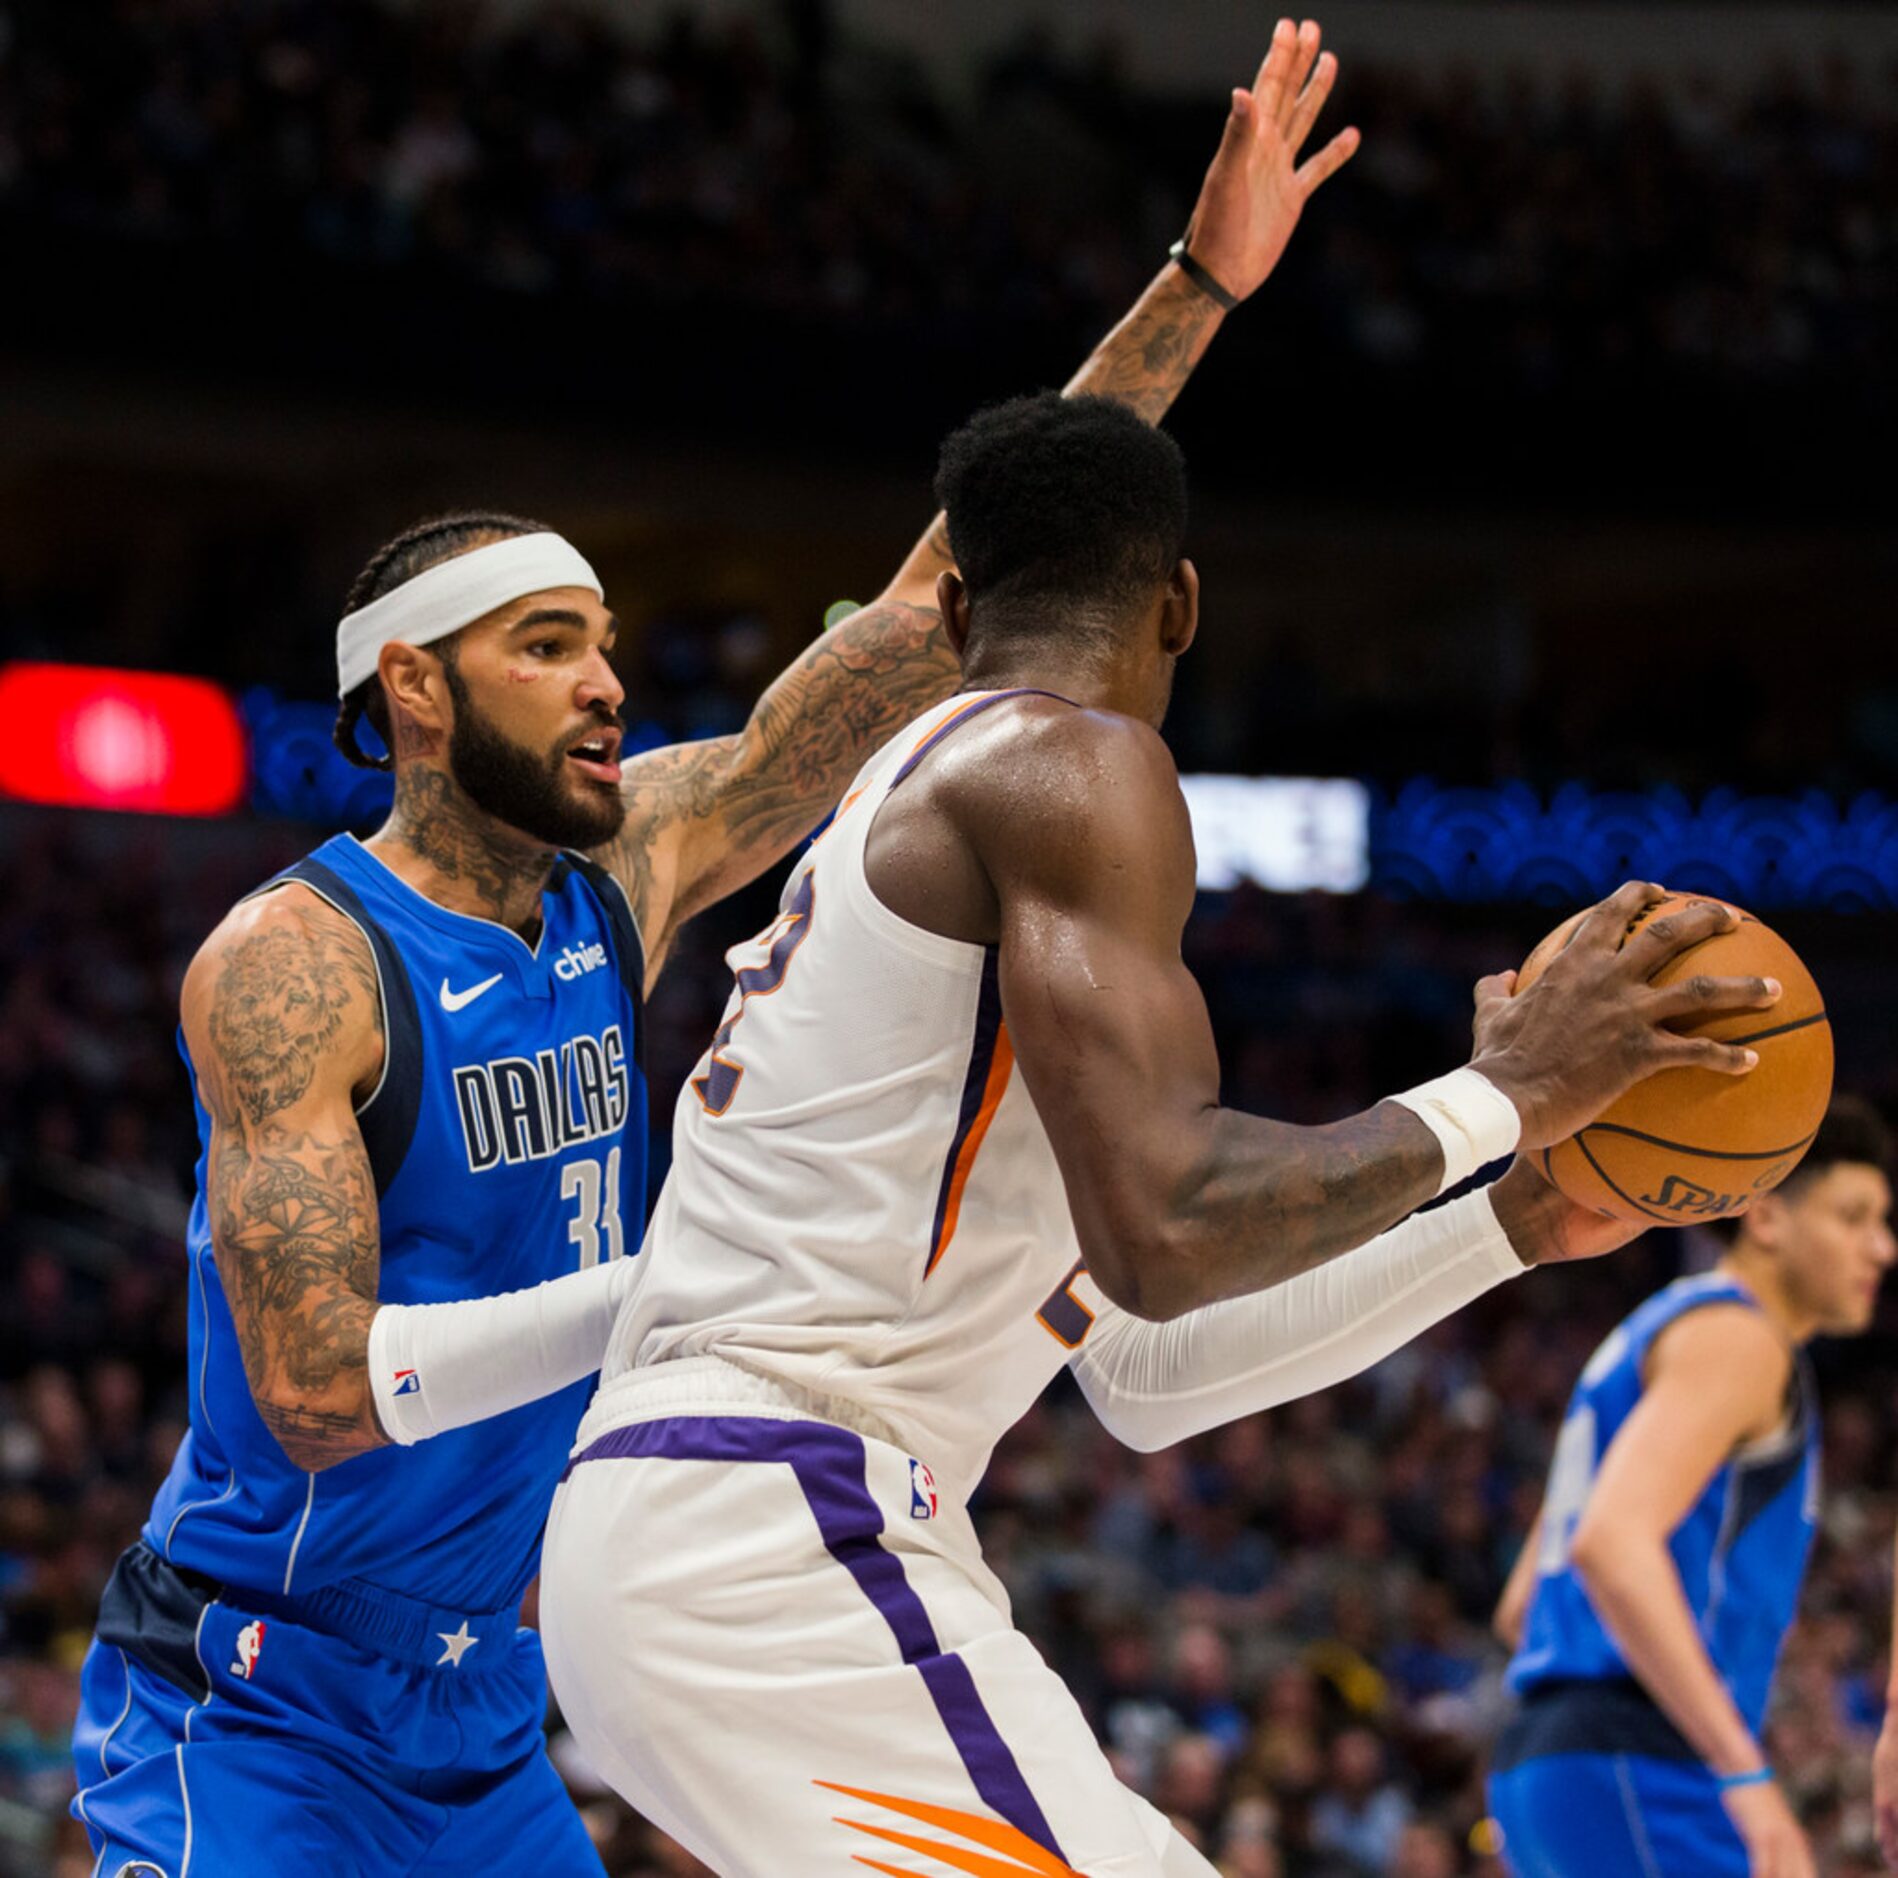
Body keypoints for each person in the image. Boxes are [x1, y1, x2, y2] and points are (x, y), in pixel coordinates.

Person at [66, 25, 1368, 1874]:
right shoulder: (294, 958)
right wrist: (670, 1289)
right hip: (262, 1690)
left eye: (604, 634)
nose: (606, 678)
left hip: (493, 1701)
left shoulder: (643, 854)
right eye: (544, 643)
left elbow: (948, 598)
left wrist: (1196, 289)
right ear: (417, 689)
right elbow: (316, 1389)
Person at [535, 381, 1778, 1873]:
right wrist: (1503, 1092)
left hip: (704, 1528)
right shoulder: (1068, 760)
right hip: (773, 1519)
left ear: (947, 610)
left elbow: (1142, 1365)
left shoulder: (939, 841)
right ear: (1179, 603)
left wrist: (1509, 1221)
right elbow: (1175, 1226)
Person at [1488, 1097, 1895, 1878]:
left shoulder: (1661, 1328)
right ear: (1767, 1217)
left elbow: (1521, 1609)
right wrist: (1741, 1769)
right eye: (1854, 1217)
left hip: (1550, 1760)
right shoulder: (1738, 1341)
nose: (1881, 1247)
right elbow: (1608, 1543)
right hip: (1645, 1762)